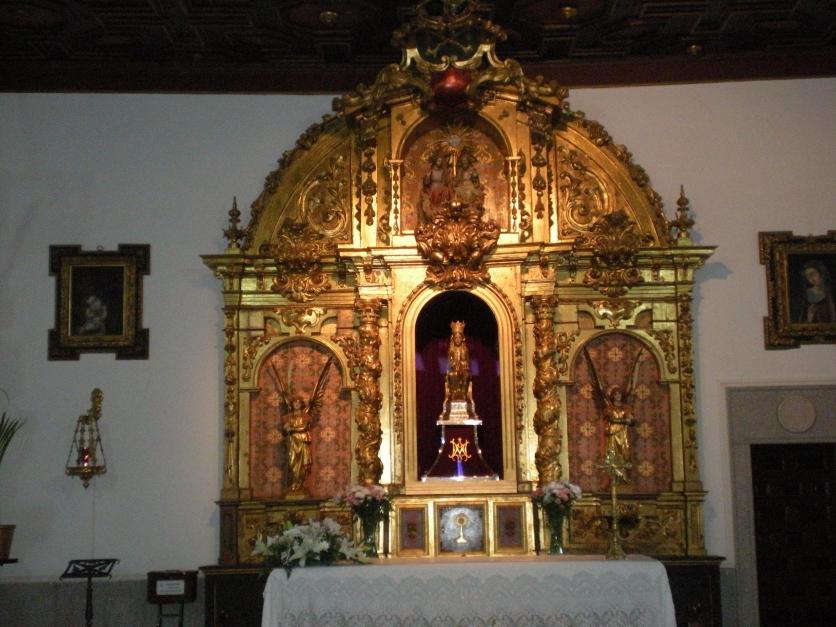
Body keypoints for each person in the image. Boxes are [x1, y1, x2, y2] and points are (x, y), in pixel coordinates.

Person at [268, 355, 334, 495]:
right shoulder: (288, 416)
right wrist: (289, 428)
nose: (296, 404)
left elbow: (303, 427)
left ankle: (300, 485)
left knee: (303, 465)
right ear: (292, 404)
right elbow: (285, 428)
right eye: (294, 402)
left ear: (301, 404)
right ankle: (294, 484)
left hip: (302, 442)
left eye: (298, 403)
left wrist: (292, 428)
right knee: (292, 464)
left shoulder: (306, 416)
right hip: (292, 443)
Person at [584, 346, 645, 473]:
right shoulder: (609, 407)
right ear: (612, 395)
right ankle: (614, 479)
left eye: (619, 394)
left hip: (623, 435)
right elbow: (600, 388)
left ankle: (624, 478)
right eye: (616, 394)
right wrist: (591, 364)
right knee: (612, 459)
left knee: (625, 457)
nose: (618, 395)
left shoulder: (625, 406)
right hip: (612, 435)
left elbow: (632, 386)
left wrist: (638, 363)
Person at [419, 151, 452, 220]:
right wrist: (428, 177)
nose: (440, 162)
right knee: (436, 191)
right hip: (433, 186)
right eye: (438, 161)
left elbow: (446, 181)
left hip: (441, 186)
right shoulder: (431, 171)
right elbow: (426, 183)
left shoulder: (443, 171)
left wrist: (449, 175)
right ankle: (435, 208)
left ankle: (443, 208)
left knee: (446, 191)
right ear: (435, 161)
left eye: (441, 161)